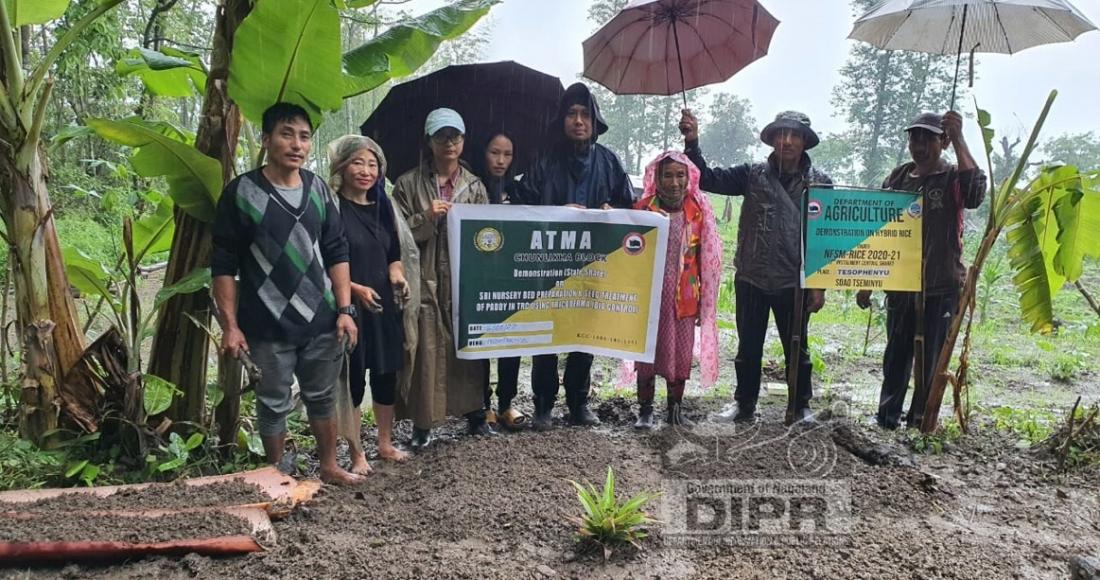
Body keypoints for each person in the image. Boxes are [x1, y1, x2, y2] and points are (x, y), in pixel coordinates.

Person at [212, 102, 362, 485]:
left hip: (321, 317)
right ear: (266, 140)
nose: (297, 144)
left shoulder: (318, 191)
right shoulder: (241, 193)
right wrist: (230, 325)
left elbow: (337, 250)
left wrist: (345, 309)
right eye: (286, 134)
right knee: (273, 401)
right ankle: (276, 475)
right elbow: (224, 264)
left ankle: (328, 466)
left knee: (321, 396)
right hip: (264, 320)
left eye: (304, 136)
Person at [680, 109, 831, 425]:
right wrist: (692, 142)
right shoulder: (751, 174)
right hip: (752, 276)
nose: (786, 141)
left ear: (805, 141)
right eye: (781, 134)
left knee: (798, 348)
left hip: (795, 279)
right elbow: (706, 177)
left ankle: (801, 406)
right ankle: (744, 403)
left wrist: (819, 283)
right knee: (748, 346)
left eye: (793, 135)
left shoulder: (820, 184)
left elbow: (824, 236)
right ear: (773, 138)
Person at [856, 111, 986, 430]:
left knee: (930, 361)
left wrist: (959, 138)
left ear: (941, 142)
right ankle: (887, 418)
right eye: (915, 137)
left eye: (928, 137)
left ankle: (920, 422)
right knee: (896, 356)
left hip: (940, 287)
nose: (920, 145)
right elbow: (880, 229)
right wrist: (867, 281)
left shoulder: (953, 177)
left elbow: (975, 194)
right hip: (900, 284)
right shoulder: (898, 178)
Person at [517, 82, 635, 431]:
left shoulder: (609, 161)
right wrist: (556, 211)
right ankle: (542, 405)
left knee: (585, 333)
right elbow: (523, 204)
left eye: (585, 114)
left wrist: (611, 210)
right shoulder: (544, 160)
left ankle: (578, 403)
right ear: (562, 120)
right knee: (546, 332)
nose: (579, 121)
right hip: (548, 262)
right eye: (572, 114)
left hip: (593, 264)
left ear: (595, 121)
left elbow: (628, 205)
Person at [392, 108, 489, 449]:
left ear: (463, 142)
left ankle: (475, 414)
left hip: (463, 275)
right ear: (429, 141)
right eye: (441, 137)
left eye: (455, 137)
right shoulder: (407, 184)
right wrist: (425, 217)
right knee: (426, 346)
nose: (449, 143)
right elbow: (396, 234)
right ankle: (423, 423)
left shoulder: (475, 186)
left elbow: (488, 235)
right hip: (424, 275)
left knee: (468, 341)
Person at [327, 135, 414, 471]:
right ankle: (356, 451)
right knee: (352, 378)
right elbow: (323, 262)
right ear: (342, 166)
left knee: (384, 373)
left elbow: (395, 255)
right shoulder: (332, 208)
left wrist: (397, 275)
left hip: (382, 305)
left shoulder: (384, 208)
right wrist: (354, 289)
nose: (365, 170)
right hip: (348, 306)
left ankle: (385, 442)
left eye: (372, 164)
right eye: (357, 162)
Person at [630, 151, 722, 429]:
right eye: (667, 175)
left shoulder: (697, 211)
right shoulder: (642, 210)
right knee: (646, 354)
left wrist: (706, 297)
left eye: (680, 175)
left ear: (689, 178)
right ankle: (645, 410)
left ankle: (674, 408)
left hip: (685, 297)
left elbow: (708, 257)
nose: (674, 182)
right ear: (656, 179)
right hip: (649, 297)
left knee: (680, 356)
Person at [471, 130, 525, 431]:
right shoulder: (472, 188)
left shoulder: (520, 191)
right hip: (479, 277)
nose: (501, 160)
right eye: (495, 152)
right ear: (484, 153)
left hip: (511, 278)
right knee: (481, 342)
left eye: (507, 154)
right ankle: (483, 404)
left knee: (511, 341)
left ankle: (506, 403)